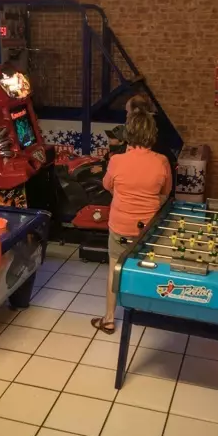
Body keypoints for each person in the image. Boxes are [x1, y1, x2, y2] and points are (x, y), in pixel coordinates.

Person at [91, 98, 171, 334]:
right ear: (152, 134)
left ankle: (108, 319)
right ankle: (148, 314)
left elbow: (107, 185)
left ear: (129, 133)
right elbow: (165, 192)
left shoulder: (117, 160)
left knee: (114, 268)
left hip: (120, 226)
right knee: (148, 268)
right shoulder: (162, 161)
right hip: (148, 229)